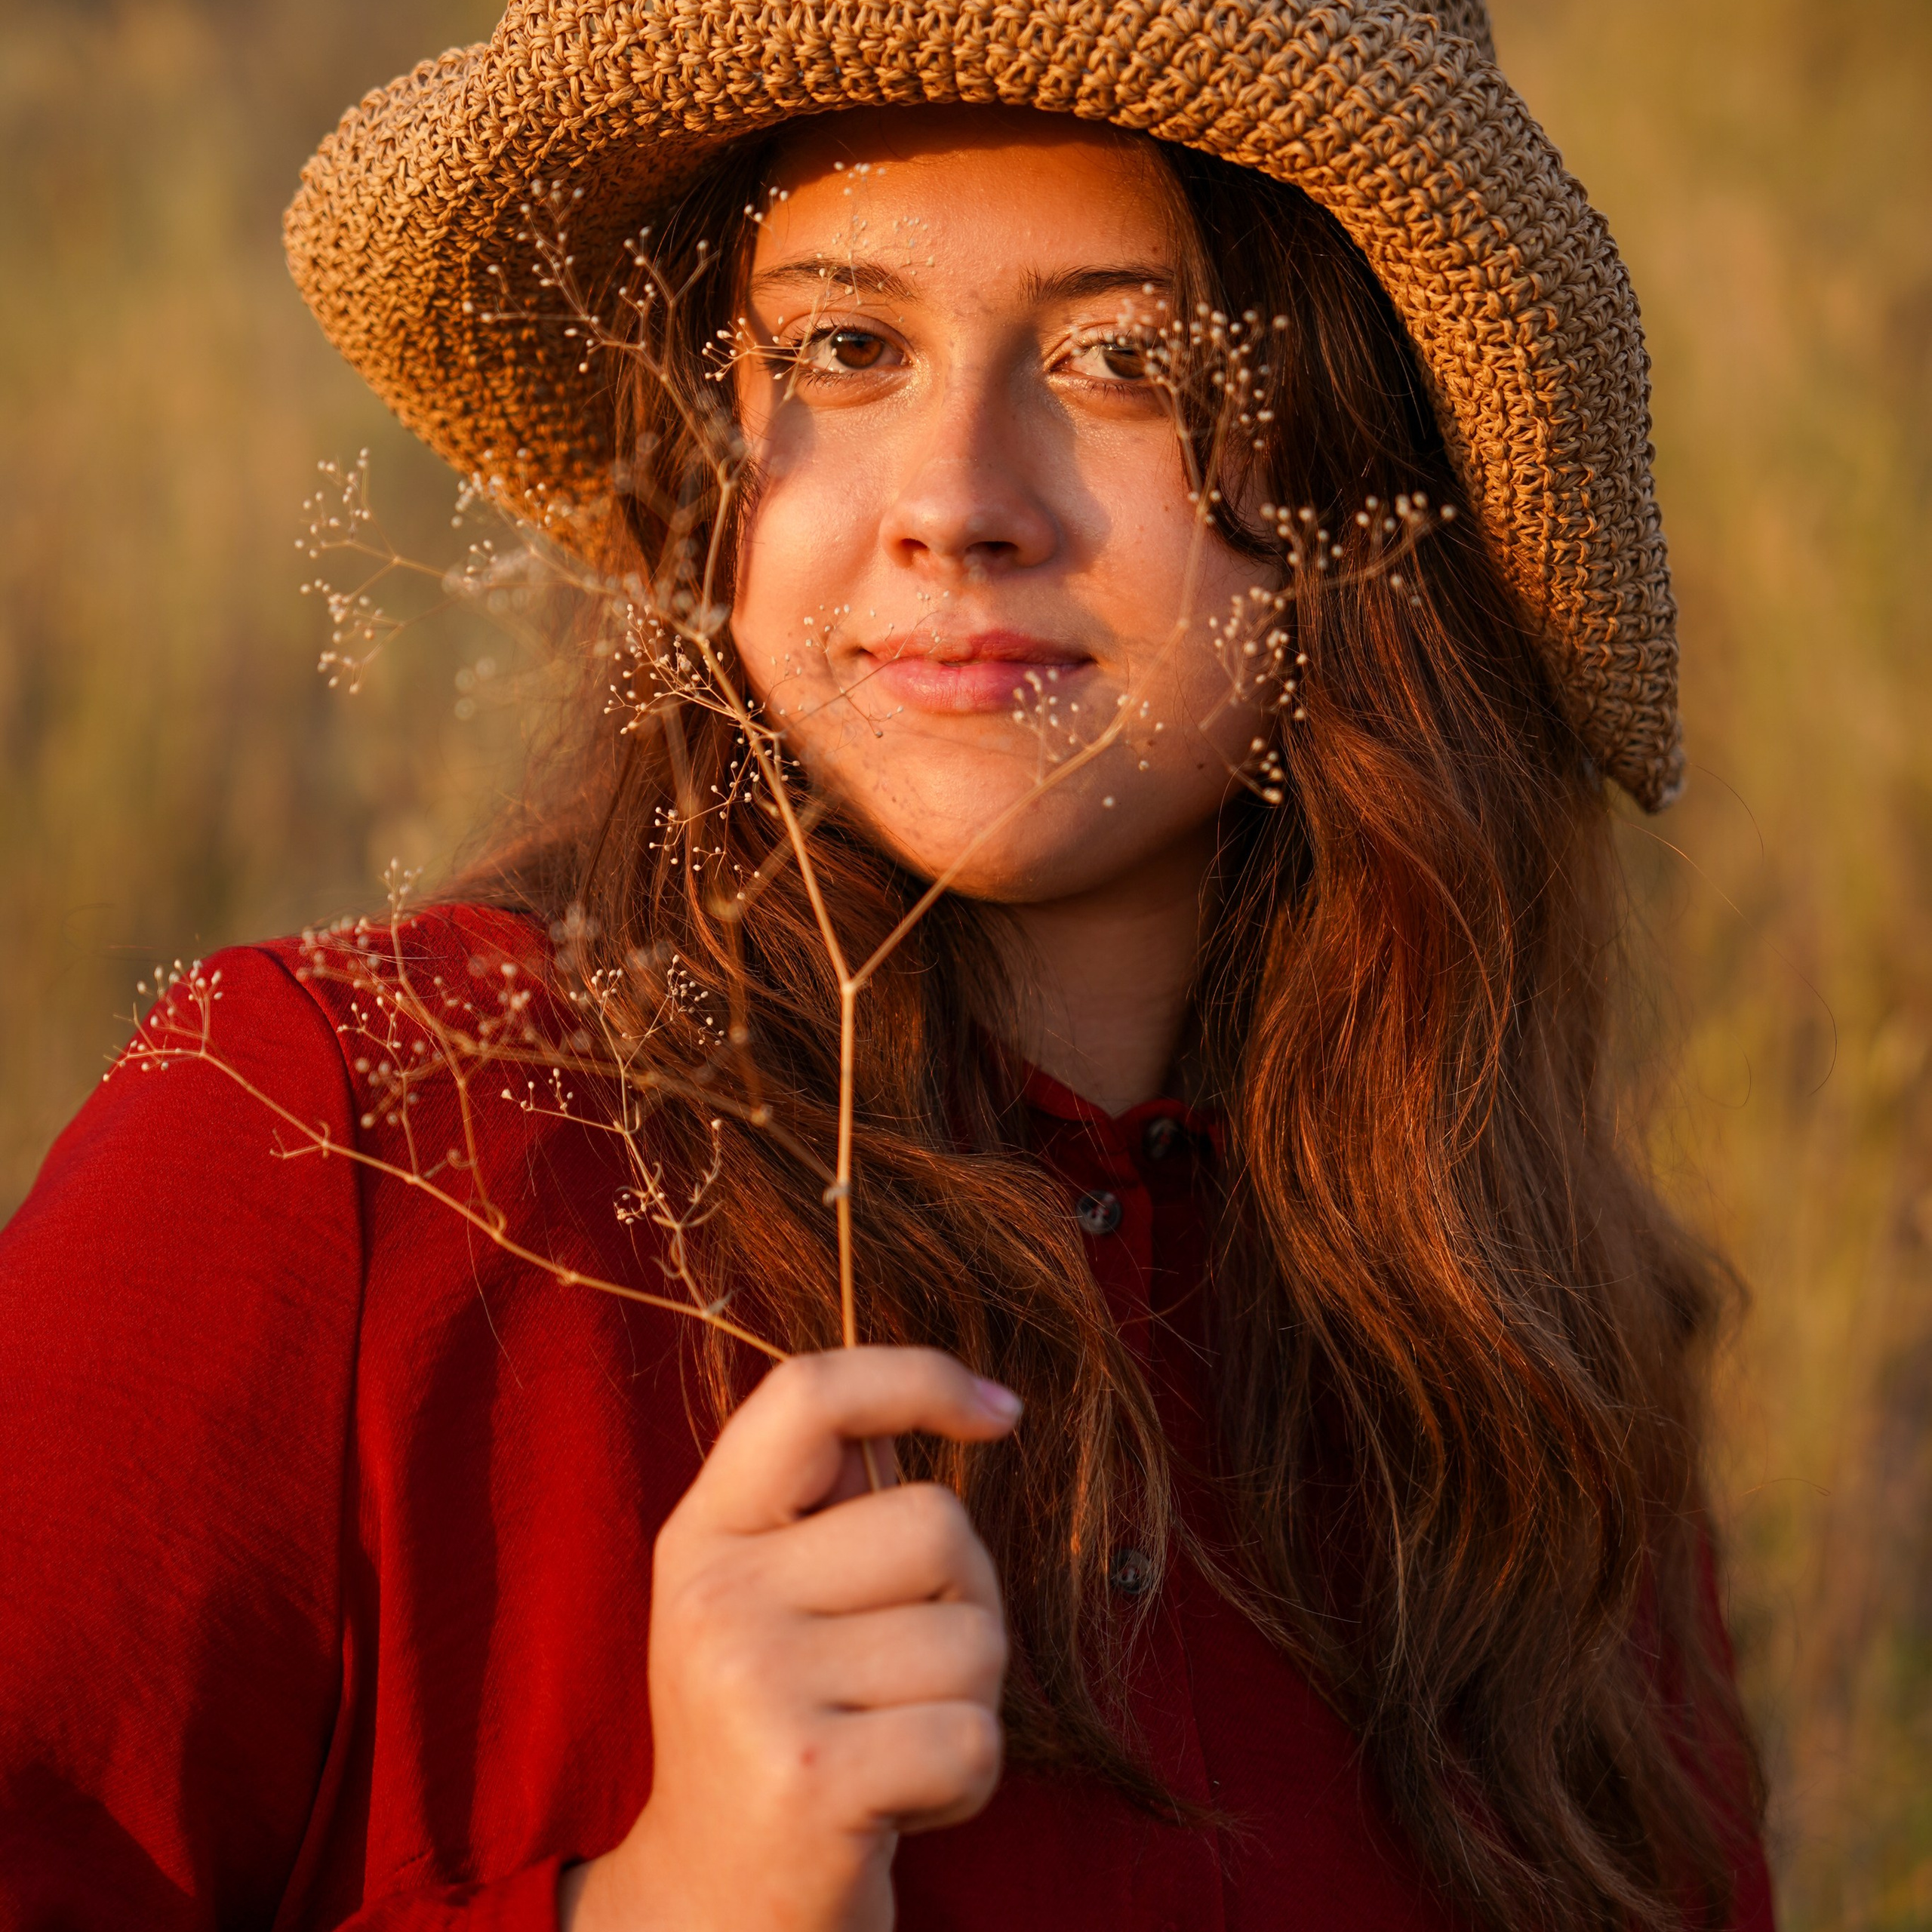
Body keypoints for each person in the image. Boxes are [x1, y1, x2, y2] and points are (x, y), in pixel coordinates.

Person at [0, 3, 1776, 1929]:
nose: (952, 502)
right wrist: (652, 1907)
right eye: (845, 347)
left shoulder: (1513, 1350)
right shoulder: (343, 1131)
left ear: (1364, 483)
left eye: (1124, 360)